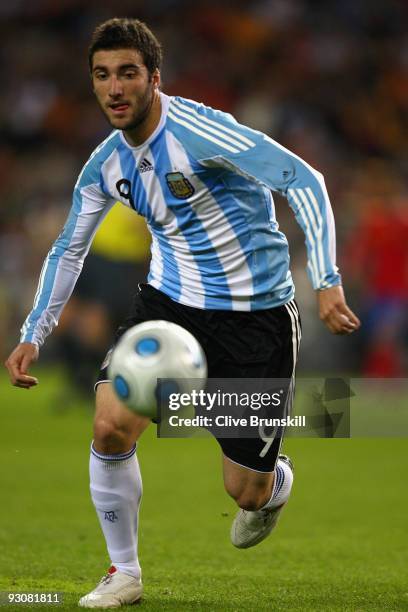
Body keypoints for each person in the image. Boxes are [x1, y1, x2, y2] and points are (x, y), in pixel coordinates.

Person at [5, 18, 360, 609]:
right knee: (109, 423)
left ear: (154, 79)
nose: (114, 88)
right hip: (168, 306)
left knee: (244, 491)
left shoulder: (201, 131)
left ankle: (273, 483)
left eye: (127, 73)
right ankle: (124, 572)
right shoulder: (105, 165)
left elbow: (305, 181)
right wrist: (32, 333)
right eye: (102, 75)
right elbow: (69, 247)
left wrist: (325, 279)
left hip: (256, 317)